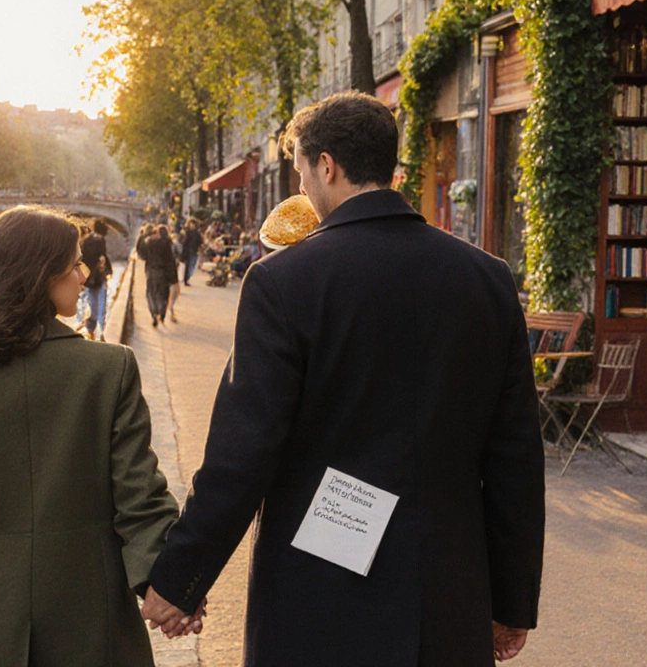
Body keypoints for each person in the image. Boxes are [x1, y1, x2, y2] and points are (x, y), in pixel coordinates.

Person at [141, 92, 545, 664]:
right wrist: (510, 600)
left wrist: (179, 579)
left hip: (319, 593)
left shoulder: (282, 282)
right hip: (446, 592)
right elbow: (516, 458)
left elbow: (243, 451)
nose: (302, 189)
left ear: (326, 166)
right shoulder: (488, 279)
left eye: (302, 172)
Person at [0, 206, 188, 666]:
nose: (84, 272)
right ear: (39, 276)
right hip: (91, 621)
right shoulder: (109, 369)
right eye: (74, 263)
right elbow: (140, 496)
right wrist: (167, 585)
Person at [136, 224, 177, 327]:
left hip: (151, 270)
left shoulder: (149, 242)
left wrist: (143, 234)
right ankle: (161, 314)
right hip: (164, 272)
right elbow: (171, 261)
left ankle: (154, 314)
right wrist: (173, 278)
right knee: (163, 294)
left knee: (151, 293)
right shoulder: (167, 244)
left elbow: (140, 251)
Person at [79, 218, 112, 340]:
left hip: (89, 277)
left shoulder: (85, 240)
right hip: (99, 276)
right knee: (101, 302)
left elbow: (82, 258)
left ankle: (90, 329)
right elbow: (103, 256)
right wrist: (109, 269)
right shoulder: (100, 239)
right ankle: (102, 330)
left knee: (91, 302)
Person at [181, 219, 203, 286]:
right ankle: (186, 279)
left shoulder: (196, 232)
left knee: (192, 265)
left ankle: (187, 278)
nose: (192, 225)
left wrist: (199, 247)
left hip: (194, 250)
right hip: (188, 251)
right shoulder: (186, 231)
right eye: (191, 223)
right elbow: (183, 241)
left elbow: (200, 241)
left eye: (193, 223)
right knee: (188, 265)